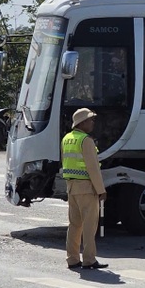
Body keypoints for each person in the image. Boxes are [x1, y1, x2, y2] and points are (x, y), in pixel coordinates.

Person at [61, 107, 109, 270]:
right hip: (86, 188)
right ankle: (89, 259)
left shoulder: (67, 138)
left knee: (74, 225)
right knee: (89, 226)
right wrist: (101, 189)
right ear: (82, 123)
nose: (92, 122)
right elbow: (93, 168)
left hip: (71, 187)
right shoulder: (86, 140)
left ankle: (72, 258)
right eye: (90, 119)